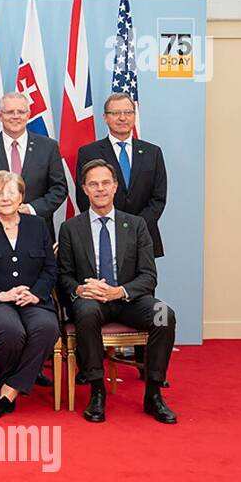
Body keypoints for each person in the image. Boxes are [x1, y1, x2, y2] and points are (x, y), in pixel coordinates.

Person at [58, 159, 178, 424]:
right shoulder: (70, 228)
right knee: (86, 314)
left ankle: (154, 393)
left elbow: (148, 277)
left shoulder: (136, 225)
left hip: (129, 298)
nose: (99, 189)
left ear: (114, 187)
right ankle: (97, 390)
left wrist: (119, 291)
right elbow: (63, 275)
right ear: (85, 190)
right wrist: (80, 288)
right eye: (93, 184)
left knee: (164, 315)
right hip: (91, 300)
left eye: (105, 183)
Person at [0, 170, 59, 419]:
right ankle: (9, 380)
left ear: (21, 197)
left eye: (11, 192)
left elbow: (50, 268)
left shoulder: (37, 225)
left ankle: (10, 388)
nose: (5, 197)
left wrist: (36, 294)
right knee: (11, 330)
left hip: (32, 298)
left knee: (47, 327)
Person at [74, 92, 168, 258]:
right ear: (105, 117)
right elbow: (84, 197)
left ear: (134, 115)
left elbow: (158, 198)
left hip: (143, 235)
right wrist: (112, 226)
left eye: (128, 112)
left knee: (141, 283)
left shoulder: (152, 152)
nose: (122, 118)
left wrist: (135, 227)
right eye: (115, 113)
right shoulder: (89, 152)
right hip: (102, 233)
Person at [0, 91, 67, 238]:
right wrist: (3, 210)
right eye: (10, 112)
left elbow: (59, 188)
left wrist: (31, 209)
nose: (15, 116)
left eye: (21, 112)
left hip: (38, 229)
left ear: (28, 114)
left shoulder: (48, 147)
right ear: (0, 115)